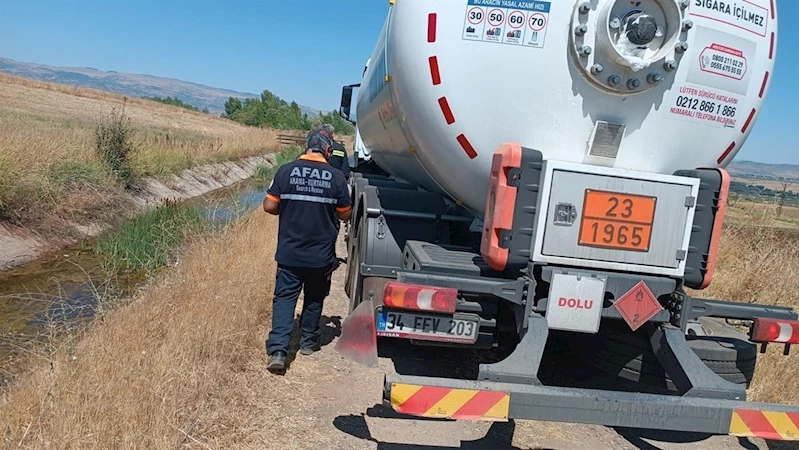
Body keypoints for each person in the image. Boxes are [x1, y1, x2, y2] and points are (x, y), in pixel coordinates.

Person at [262, 131, 353, 373]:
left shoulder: (285, 170)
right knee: (314, 297)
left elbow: (270, 205)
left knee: (284, 299)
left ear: (305, 148)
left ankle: (279, 351)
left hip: (289, 253)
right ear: (327, 151)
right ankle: (308, 343)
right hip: (320, 256)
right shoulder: (336, 178)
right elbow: (345, 213)